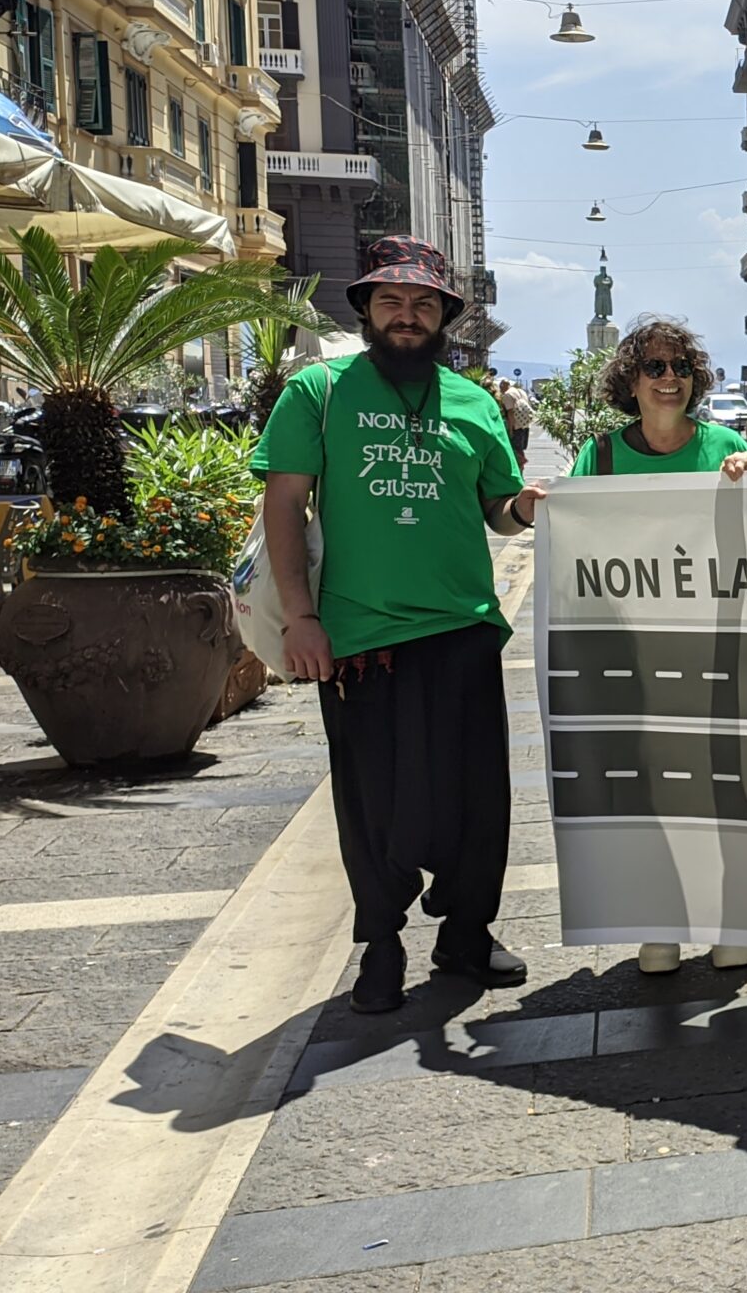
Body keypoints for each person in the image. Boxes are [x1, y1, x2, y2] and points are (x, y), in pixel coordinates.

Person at [255, 237, 545, 1015]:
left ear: (445, 315)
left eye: (423, 304)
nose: (407, 315)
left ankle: (467, 935)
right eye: (391, 301)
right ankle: (380, 945)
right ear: (367, 310)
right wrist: (301, 619)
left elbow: (496, 508)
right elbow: (284, 506)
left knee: (475, 798)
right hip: (360, 640)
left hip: (464, 628)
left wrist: (525, 508)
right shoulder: (317, 392)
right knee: (373, 803)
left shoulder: (475, 402)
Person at [568, 316, 747, 973]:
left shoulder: (728, 449)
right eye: (654, 367)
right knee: (650, 790)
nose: (669, 378)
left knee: (725, 787)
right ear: (630, 380)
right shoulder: (597, 459)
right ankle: (660, 921)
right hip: (633, 658)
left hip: (719, 650)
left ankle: (735, 918)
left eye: (680, 366)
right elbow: (574, 552)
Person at [495, 376, 535, 469]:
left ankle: (519, 467)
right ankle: (521, 467)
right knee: (520, 448)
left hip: (516, 426)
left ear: (503, 385)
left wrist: (510, 430)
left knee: (515, 449)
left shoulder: (507, 395)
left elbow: (510, 412)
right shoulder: (521, 392)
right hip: (525, 424)